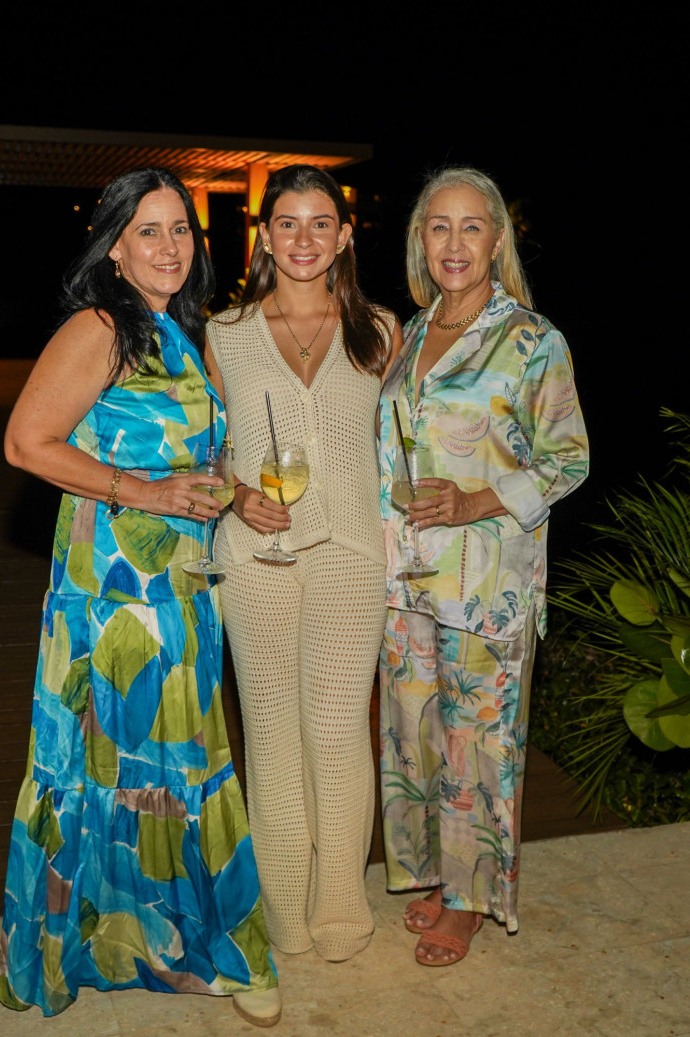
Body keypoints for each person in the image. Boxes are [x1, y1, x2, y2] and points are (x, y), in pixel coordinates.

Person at [0, 167, 281, 1027]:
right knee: (113, 759)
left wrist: (235, 494)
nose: (168, 247)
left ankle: (168, 942)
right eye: (149, 231)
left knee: (177, 760)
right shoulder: (98, 326)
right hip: (113, 590)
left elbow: (195, 461)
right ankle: (170, 947)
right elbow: (24, 442)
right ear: (115, 245)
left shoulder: (178, 332)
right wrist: (144, 492)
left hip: (183, 588)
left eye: (181, 232)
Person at [378, 166, 588, 966]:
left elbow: (569, 458)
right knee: (419, 736)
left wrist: (474, 501)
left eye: (472, 227)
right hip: (407, 579)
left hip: (486, 583)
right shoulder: (408, 331)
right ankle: (440, 873)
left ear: (498, 239)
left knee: (478, 744)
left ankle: (469, 901)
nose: (455, 243)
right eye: (439, 226)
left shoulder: (534, 340)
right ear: (419, 240)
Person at [205, 164, 403, 962]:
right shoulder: (225, 334)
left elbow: (404, 441)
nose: (304, 239)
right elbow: (206, 452)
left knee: (335, 729)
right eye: (287, 223)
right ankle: (282, 900)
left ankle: (341, 898)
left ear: (346, 236)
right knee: (273, 731)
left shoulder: (382, 331)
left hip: (353, 553)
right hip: (255, 557)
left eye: (322, 223)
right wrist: (234, 495)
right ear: (264, 235)